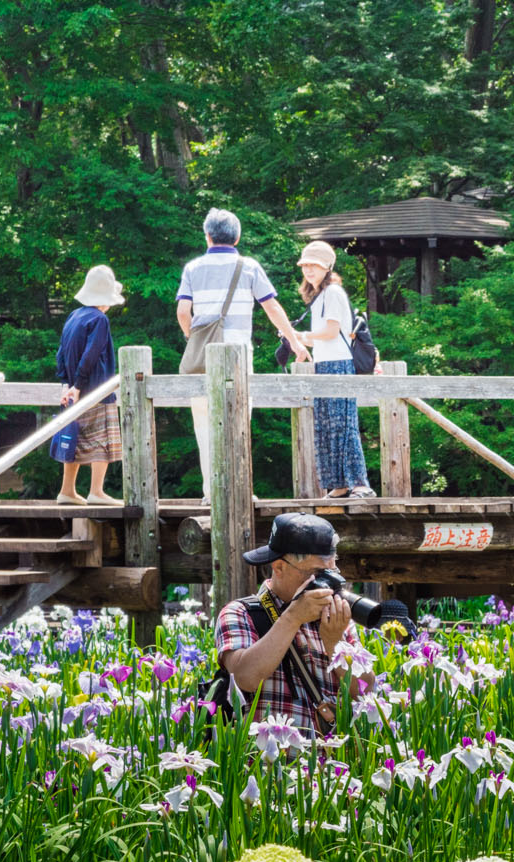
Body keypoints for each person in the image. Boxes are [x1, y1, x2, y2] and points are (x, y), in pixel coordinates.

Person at [176, 208, 312, 479]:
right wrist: (294, 341)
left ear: (208, 237)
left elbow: (182, 311)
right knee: (238, 421)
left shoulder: (193, 268)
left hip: (204, 356)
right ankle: (239, 484)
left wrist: (193, 338)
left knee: (204, 423)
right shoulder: (249, 266)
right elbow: (271, 307)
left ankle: (209, 491)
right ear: (236, 238)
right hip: (238, 355)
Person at [213, 514, 354, 731]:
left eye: (331, 572)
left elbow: (365, 690)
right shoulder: (240, 612)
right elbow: (244, 678)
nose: (325, 583)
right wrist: (293, 617)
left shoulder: (335, 618)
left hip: (331, 761)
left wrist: (335, 644)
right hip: (266, 761)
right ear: (279, 567)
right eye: (316, 573)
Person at [294, 241, 376, 498]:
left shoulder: (332, 293)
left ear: (327, 267)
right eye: (306, 265)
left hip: (340, 364)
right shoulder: (320, 295)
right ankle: (339, 484)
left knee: (344, 424)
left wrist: (298, 336)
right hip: (324, 364)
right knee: (326, 425)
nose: (309, 270)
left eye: (314, 266)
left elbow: (330, 333)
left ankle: (360, 483)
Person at [52, 266, 126, 504]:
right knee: (102, 441)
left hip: (74, 392)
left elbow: (61, 354)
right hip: (96, 390)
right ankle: (96, 491)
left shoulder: (73, 316)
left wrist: (67, 384)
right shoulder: (99, 319)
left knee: (73, 438)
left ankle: (67, 490)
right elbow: (91, 355)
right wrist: (80, 383)